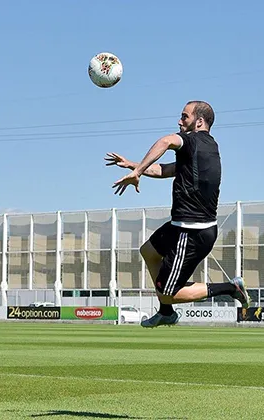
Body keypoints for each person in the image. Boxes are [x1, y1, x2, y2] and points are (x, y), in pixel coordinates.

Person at [105, 100, 250, 328]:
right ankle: (165, 312)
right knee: (149, 252)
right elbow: (167, 170)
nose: (179, 121)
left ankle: (231, 288)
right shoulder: (206, 146)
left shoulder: (193, 141)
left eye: (184, 117)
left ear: (199, 121)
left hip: (192, 232)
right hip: (182, 225)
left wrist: (138, 172)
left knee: (169, 293)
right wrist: (134, 166)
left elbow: (166, 140)